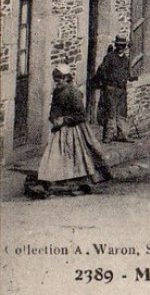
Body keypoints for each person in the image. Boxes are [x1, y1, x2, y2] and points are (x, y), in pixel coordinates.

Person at [25, 65, 111, 198]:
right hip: (59, 130)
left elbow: (81, 115)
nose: (57, 82)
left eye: (60, 79)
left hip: (74, 129)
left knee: (77, 156)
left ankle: (82, 183)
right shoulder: (57, 92)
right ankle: (51, 183)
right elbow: (53, 109)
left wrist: (65, 120)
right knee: (54, 156)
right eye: (55, 79)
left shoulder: (73, 92)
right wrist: (53, 119)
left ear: (67, 78)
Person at [92, 34, 134, 142]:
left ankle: (122, 135)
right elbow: (101, 71)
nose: (120, 47)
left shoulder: (126, 59)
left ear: (125, 46)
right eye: (118, 45)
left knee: (121, 112)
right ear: (116, 46)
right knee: (110, 112)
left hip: (122, 89)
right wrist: (105, 83)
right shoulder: (110, 57)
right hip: (111, 88)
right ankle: (108, 136)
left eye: (122, 45)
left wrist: (131, 76)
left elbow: (128, 72)